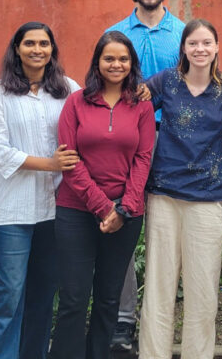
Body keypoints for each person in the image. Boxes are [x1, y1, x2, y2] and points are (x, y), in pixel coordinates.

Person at [138, 19, 222, 359]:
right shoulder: (165, 82)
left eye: (206, 43)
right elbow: (131, 108)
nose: (200, 49)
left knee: (203, 291)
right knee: (159, 287)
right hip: (164, 194)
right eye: (193, 43)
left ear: (216, 48)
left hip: (208, 198)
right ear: (183, 48)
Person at [48, 32, 155, 359]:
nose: (116, 65)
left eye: (123, 59)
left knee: (109, 298)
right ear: (97, 62)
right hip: (76, 213)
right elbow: (69, 160)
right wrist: (103, 207)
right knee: (73, 298)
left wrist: (124, 209)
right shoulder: (76, 102)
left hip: (126, 215)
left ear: (131, 64)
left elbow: (143, 158)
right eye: (109, 58)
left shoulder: (142, 106)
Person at [0, 22, 81, 359]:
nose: (37, 49)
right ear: (17, 48)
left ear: (53, 49)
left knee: (42, 296)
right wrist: (50, 164)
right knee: (7, 297)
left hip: (57, 210)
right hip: (13, 212)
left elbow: (96, 113)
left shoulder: (67, 90)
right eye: (29, 43)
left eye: (44, 43)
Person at [106, 0, 184, 352]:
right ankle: (122, 320)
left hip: (173, 147)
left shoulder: (185, 35)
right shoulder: (116, 35)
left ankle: (158, 319)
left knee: (164, 234)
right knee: (123, 226)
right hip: (127, 146)